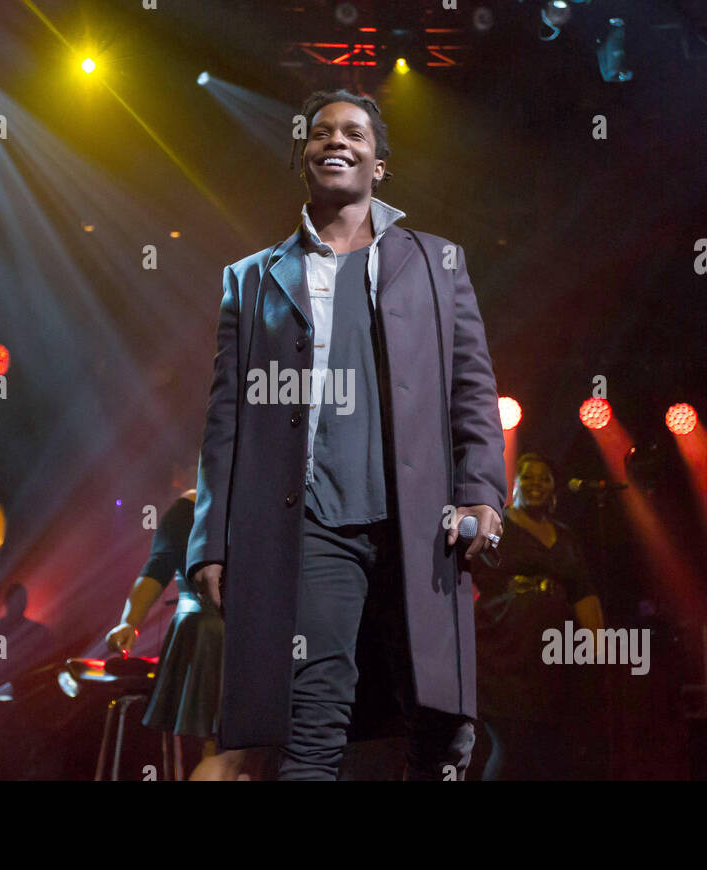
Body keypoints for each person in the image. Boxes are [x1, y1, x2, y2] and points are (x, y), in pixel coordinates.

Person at [186, 89, 507, 780]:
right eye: (321, 131)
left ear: (379, 163)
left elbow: (473, 390)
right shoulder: (251, 281)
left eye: (355, 132)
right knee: (311, 721)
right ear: (303, 156)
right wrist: (209, 541)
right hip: (312, 524)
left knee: (441, 721)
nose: (337, 140)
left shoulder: (436, 263)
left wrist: (482, 492)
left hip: (420, 522)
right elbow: (226, 422)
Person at [106, 489, 256, 780]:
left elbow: (157, 565)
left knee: (234, 759)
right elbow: (158, 567)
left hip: (222, 631)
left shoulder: (214, 504)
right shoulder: (192, 507)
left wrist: (130, 621)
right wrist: (130, 621)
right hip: (221, 633)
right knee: (226, 755)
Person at [472, 452, 605, 780]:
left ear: (554, 487)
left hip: (554, 659)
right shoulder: (498, 527)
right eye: (527, 477)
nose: (536, 484)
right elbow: (470, 577)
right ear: (514, 484)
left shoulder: (565, 535)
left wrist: (599, 649)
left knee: (550, 750)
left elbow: (583, 591)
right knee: (512, 746)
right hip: (504, 656)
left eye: (543, 478)